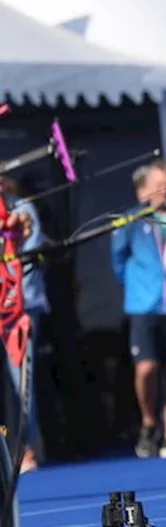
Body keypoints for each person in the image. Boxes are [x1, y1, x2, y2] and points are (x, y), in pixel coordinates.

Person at [109, 159, 166, 460]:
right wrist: (138, 288)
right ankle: (150, 423)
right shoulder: (130, 222)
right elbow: (119, 261)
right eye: (158, 186)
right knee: (147, 368)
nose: (165, 191)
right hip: (143, 305)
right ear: (142, 191)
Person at [0, 176, 47, 473]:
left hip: (19, 307)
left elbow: (28, 252)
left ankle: (26, 449)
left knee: (21, 380)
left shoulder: (23, 209)